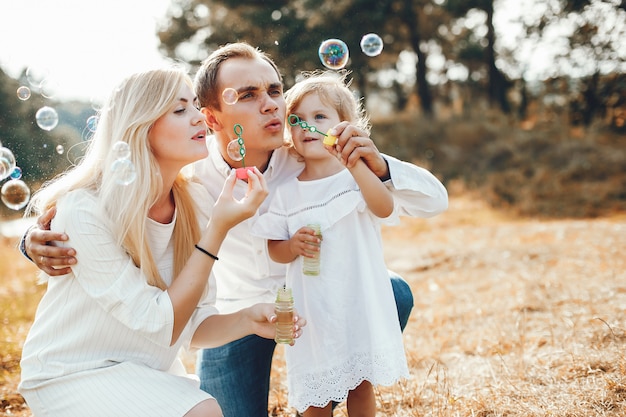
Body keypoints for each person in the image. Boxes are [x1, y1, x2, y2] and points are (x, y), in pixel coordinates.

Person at [22, 42, 448, 416]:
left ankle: (326, 389)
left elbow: (433, 200)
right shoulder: (189, 175)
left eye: (275, 91)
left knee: (394, 291)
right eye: (248, 95)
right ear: (211, 118)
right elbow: (107, 203)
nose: (271, 104)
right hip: (237, 316)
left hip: (319, 300)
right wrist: (32, 242)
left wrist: (382, 164)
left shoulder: (313, 154)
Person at [17, 66, 305, 417]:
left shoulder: (194, 200)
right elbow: (157, 323)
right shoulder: (85, 208)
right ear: (141, 126)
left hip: (143, 368)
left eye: (196, 107)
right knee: (204, 411)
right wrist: (218, 230)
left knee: (203, 409)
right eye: (181, 110)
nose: (200, 118)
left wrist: (247, 319)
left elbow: (193, 324)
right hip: (71, 371)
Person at [253, 70, 409, 416]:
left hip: (357, 299)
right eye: (297, 120)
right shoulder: (286, 192)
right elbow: (274, 250)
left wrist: (356, 167)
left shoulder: (355, 177)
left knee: (360, 383)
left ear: (344, 125)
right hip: (314, 309)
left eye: (319, 117)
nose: (307, 126)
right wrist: (293, 245)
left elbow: (383, 208)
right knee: (315, 394)